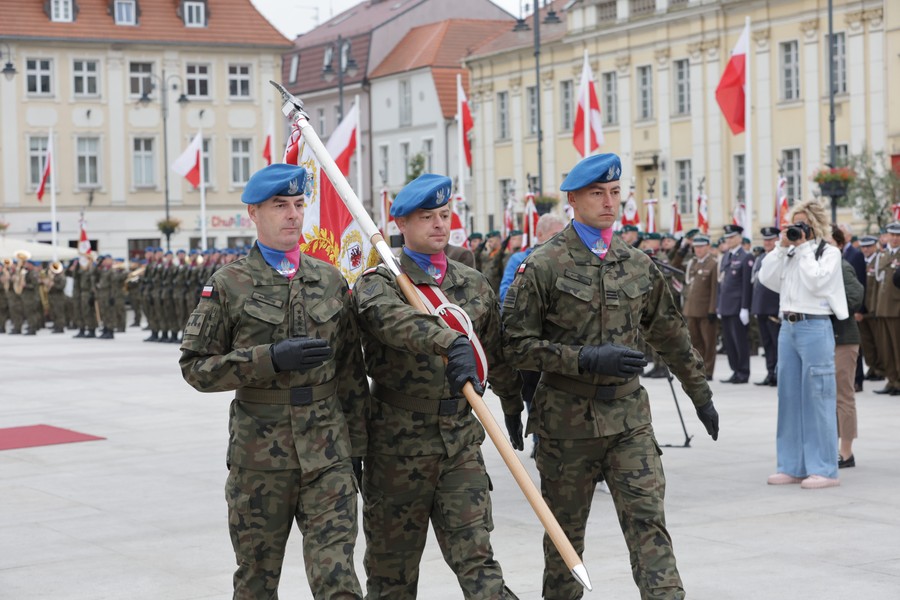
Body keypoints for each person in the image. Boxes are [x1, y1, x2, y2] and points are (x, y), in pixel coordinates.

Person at [502, 153, 719, 600]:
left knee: (648, 525)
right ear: (573, 199)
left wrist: (701, 395)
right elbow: (515, 345)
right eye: (597, 193)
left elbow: (673, 335)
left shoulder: (638, 265)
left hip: (628, 419)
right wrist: (584, 358)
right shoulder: (544, 264)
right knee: (564, 538)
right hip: (565, 424)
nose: (608, 201)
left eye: (615, 192)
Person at [179, 163, 369, 599]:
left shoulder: (329, 280)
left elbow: (351, 376)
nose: (293, 215)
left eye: (299, 204)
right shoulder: (229, 284)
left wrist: (357, 449)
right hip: (260, 459)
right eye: (280, 205)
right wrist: (267, 359)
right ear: (254, 213)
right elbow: (196, 367)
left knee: (338, 580)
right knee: (256, 581)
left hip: (328, 455)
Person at [351, 173, 522, 600]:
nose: (439, 225)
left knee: (480, 565)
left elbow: (497, 352)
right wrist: (449, 339)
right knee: (392, 577)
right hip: (396, 448)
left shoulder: (473, 283)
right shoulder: (379, 283)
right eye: (426, 217)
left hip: (460, 443)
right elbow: (393, 323)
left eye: (444, 215)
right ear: (402, 225)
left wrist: (514, 402)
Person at [759, 200, 848, 489]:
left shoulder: (828, 253)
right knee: (788, 397)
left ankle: (824, 468)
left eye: (802, 225)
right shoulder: (790, 253)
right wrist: (781, 248)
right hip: (788, 326)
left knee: (818, 397)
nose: (797, 230)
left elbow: (818, 283)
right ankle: (791, 465)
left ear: (815, 226)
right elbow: (766, 278)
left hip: (816, 325)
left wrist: (806, 248)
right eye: (793, 225)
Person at [499, 213, 566, 303]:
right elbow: (505, 294)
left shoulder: (565, 260)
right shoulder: (519, 259)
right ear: (540, 234)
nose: (561, 240)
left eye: (563, 235)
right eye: (556, 235)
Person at [716, 223, 754, 383]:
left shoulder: (746, 257)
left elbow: (746, 285)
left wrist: (745, 308)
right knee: (729, 342)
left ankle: (743, 372)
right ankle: (735, 370)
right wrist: (719, 305)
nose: (729, 240)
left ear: (739, 238)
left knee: (739, 341)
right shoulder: (726, 256)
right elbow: (721, 283)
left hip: (738, 306)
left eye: (732, 237)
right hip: (725, 306)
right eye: (727, 237)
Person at [681, 235, 719, 381]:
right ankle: (698, 368)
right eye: (696, 247)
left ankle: (708, 370)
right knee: (695, 342)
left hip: (705, 311)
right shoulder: (693, 263)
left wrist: (712, 309)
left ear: (708, 247)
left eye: (701, 246)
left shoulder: (713, 264)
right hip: (691, 309)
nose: (698, 249)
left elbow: (714, 289)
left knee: (708, 342)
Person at [751, 227, 782, 386]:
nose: (767, 242)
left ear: (778, 240)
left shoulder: (780, 257)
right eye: (765, 240)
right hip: (761, 308)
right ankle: (770, 373)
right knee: (767, 345)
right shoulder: (760, 257)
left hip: (774, 308)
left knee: (777, 345)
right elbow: (755, 283)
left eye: (771, 239)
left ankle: (778, 374)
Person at [872, 222, 900, 395]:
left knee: (898, 347)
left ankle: (899, 381)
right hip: (882, 308)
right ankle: (891, 379)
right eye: (892, 235)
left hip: (897, 308)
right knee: (886, 348)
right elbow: (877, 280)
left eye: (898, 236)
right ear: (887, 236)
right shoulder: (881, 255)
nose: (895, 238)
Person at [857, 235, 884, 382]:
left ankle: (880, 369)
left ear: (875, 246)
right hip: (862, 310)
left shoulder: (879, 260)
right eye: (863, 246)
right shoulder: (861, 261)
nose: (866, 249)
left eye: (869, 246)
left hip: (875, 309)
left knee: (879, 341)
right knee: (867, 342)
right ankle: (872, 367)